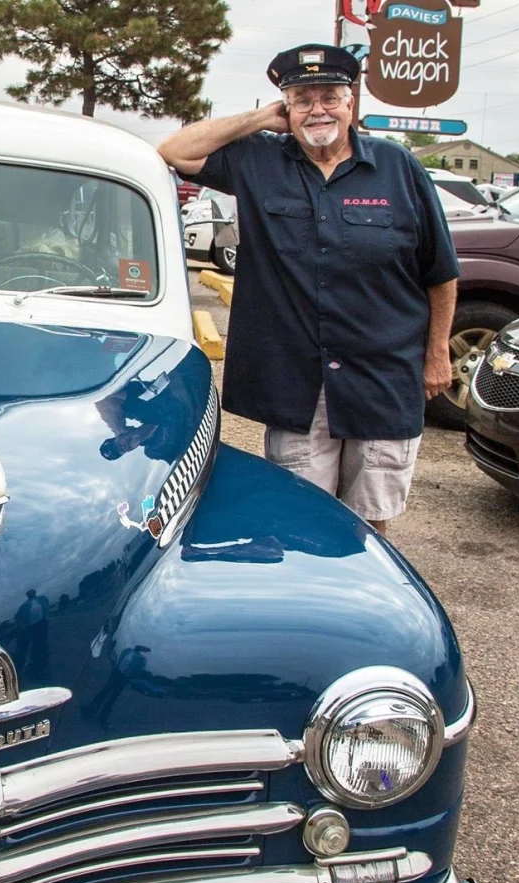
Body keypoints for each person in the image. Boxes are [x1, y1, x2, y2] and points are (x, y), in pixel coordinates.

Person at [157, 44, 458, 534]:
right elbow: (174, 150)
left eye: (329, 97)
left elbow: (440, 272)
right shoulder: (257, 161)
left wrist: (437, 352)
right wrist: (259, 118)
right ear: (286, 108)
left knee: (371, 522)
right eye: (302, 99)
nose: (318, 109)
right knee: (298, 520)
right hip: (298, 384)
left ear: (351, 102)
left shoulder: (398, 168)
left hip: (382, 376)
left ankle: (359, 604)